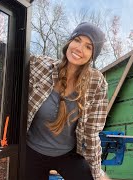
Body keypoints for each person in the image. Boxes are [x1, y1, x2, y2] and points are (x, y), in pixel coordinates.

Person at [26, 22, 110, 180]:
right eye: (77, 40)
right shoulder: (40, 66)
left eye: (88, 47)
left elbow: (91, 132)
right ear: (69, 42)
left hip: (67, 154)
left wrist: (97, 174)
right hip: (31, 151)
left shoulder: (96, 83)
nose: (79, 48)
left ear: (93, 55)